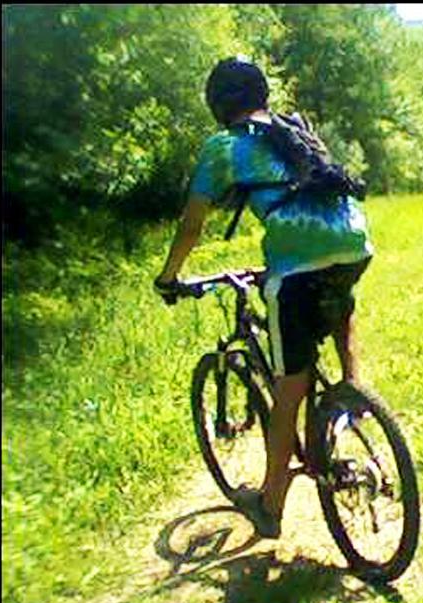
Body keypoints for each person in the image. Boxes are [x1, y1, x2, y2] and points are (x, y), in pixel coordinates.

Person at [154, 56, 372, 540]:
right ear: (261, 94)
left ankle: (271, 505)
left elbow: (192, 224)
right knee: (336, 290)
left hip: (296, 260)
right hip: (355, 241)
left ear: (218, 103)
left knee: (287, 391)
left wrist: (170, 276)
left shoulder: (226, 147)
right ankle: (352, 391)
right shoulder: (295, 128)